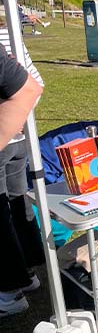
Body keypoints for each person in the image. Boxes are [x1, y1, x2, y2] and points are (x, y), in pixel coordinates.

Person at [0, 44, 44, 318]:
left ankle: (9, 292)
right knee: (17, 203)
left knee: (5, 212)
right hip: (18, 137)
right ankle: (27, 275)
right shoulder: (11, 37)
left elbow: (30, 88)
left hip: (9, 138)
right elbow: (35, 82)